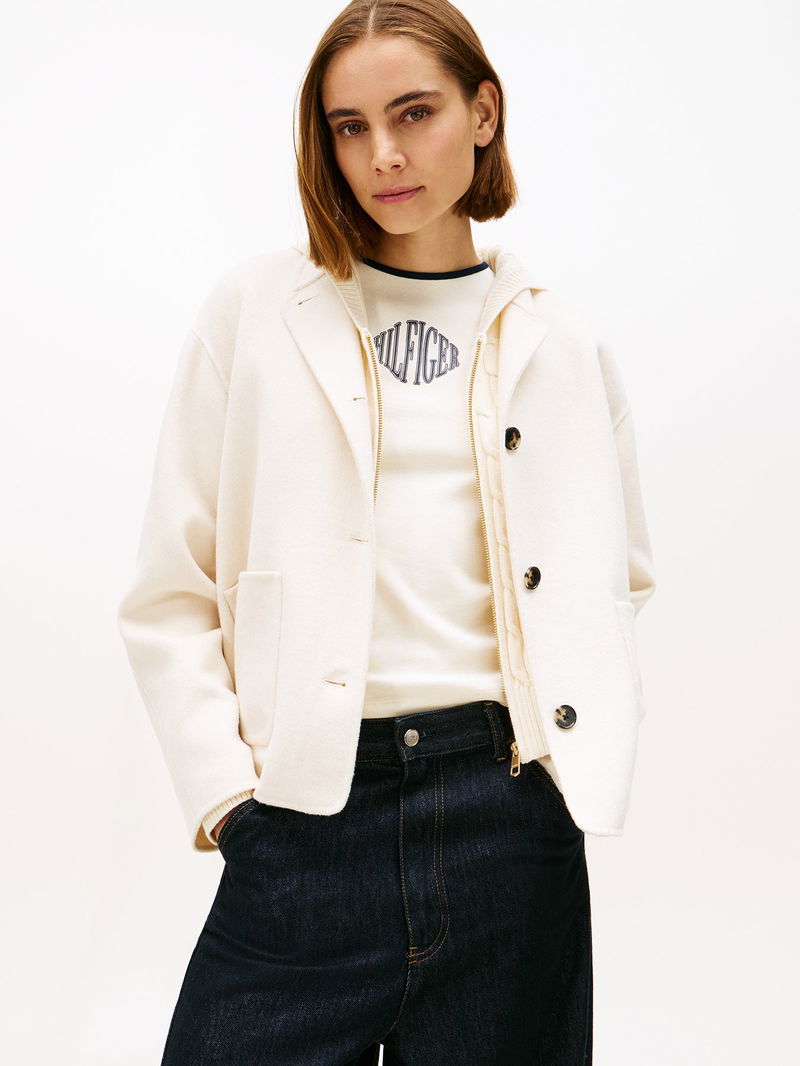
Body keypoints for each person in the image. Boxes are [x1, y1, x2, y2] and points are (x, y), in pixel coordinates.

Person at [117, 1, 656, 1063]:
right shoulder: (256, 313)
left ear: (483, 111)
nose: (384, 155)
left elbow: (616, 575)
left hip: (507, 819)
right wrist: (232, 803)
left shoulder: (560, 339)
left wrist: (561, 770)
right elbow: (171, 588)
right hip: (306, 814)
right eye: (349, 126)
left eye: (414, 113)